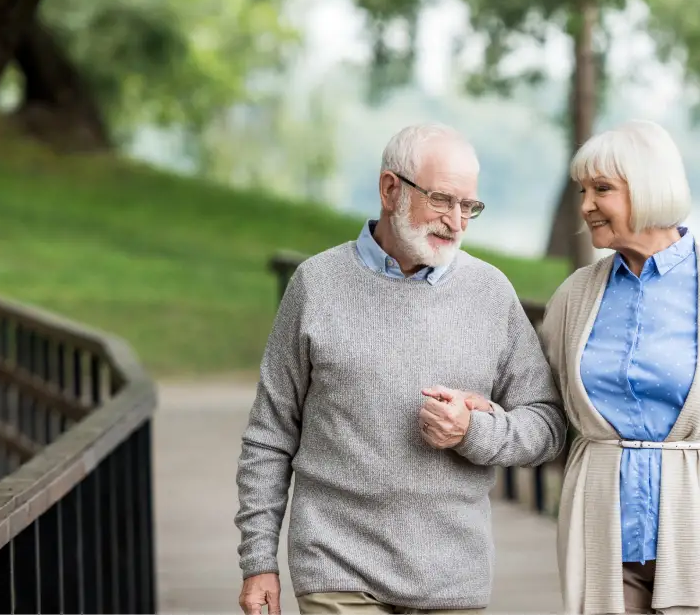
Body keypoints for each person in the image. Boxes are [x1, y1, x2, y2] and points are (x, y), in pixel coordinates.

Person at [235, 122, 566, 615]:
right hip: (336, 568)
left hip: (454, 577)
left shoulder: (490, 293)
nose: (456, 222)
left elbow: (549, 426)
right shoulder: (316, 285)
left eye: (468, 206)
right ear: (391, 189)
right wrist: (258, 559)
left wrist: (474, 432)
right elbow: (270, 433)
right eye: (442, 200)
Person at [539, 119, 700, 615]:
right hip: (601, 536)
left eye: (602, 189)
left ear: (650, 188)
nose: (586, 204)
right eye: (583, 190)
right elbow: (537, 403)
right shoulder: (574, 297)